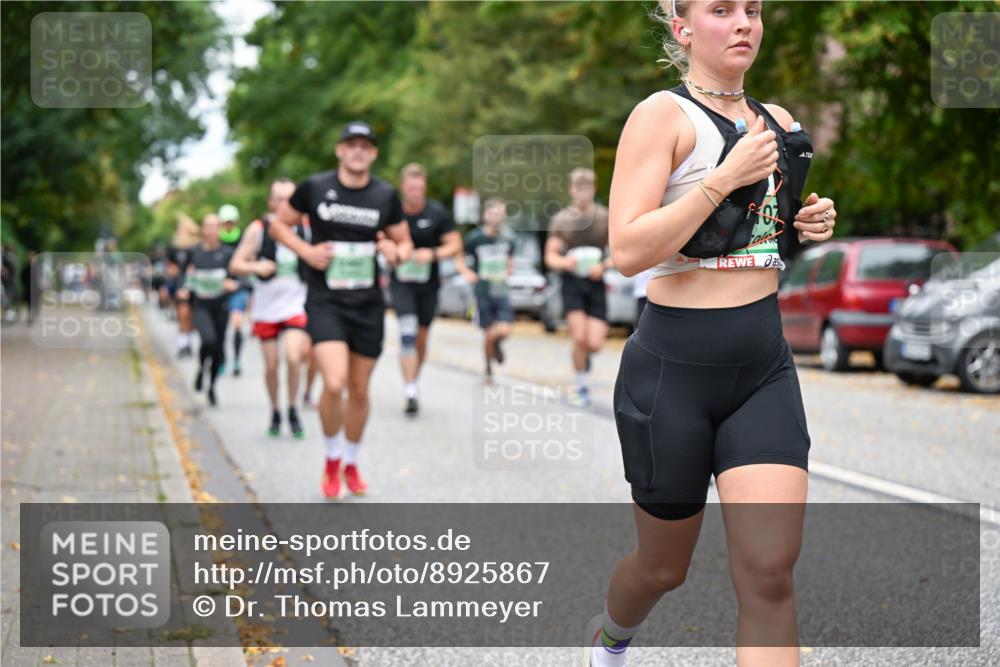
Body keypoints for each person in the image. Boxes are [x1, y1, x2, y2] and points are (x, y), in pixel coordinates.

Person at [588, 2, 837, 666]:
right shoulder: (660, 118)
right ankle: (611, 639)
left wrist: (804, 223)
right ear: (685, 29)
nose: (743, 22)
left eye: (752, 9)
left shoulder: (779, 123)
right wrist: (723, 177)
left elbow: (759, 234)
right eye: (721, 9)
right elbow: (628, 250)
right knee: (663, 567)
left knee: (769, 572)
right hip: (673, 371)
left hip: (762, 369)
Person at [270, 121, 413, 499]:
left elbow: (404, 242)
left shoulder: (385, 194)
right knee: (334, 383)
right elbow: (279, 226)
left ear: (374, 154)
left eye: (365, 146)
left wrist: (395, 254)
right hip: (326, 300)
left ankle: (351, 460)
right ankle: (331, 457)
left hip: (368, 304)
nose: (358, 151)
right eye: (351, 144)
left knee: (360, 389)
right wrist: (306, 251)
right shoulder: (315, 187)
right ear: (339, 150)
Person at [229, 178, 311, 438]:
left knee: (294, 356)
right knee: (272, 364)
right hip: (266, 307)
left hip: (296, 303)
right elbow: (236, 264)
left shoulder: (306, 228)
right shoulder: (258, 229)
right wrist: (256, 267)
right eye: (280, 199)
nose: (285, 204)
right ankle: (275, 409)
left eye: (291, 199)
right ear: (271, 202)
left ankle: (293, 408)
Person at [389, 163, 463, 416]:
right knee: (407, 333)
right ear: (403, 187)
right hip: (401, 283)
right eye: (410, 187)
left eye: (419, 187)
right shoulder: (393, 211)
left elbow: (454, 245)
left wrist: (431, 254)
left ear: (424, 188)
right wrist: (396, 253)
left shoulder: (437, 213)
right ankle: (410, 389)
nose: (415, 192)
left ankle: (413, 380)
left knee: (421, 338)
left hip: (428, 285)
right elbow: (380, 238)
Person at [545, 168, 614, 407]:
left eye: (588, 188)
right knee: (579, 336)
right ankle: (581, 384)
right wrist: (566, 262)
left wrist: (604, 266)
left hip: (595, 283)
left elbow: (618, 253)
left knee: (594, 343)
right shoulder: (562, 219)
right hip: (572, 283)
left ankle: (583, 359)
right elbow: (550, 257)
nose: (583, 193)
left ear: (593, 190)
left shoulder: (604, 217)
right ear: (572, 190)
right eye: (578, 188)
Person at [177, 215, 239, 407]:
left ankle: (211, 385)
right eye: (207, 226)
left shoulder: (228, 253)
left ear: (220, 229)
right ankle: (200, 368)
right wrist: (183, 288)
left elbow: (241, 277)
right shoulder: (193, 253)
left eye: (214, 227)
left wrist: (234, 284)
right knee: (208, 340)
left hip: (221, 307)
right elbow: (182, 275)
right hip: (201, 305)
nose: (211, 230)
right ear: (203, 229)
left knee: (218, 350)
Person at [456, 198, 515, 379]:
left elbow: (510, 259)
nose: (497, 218)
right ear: (485, 215)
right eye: (494, 213)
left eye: (501, 214)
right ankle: (488, 365)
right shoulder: (475, 238)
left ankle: (497, 344)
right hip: (482, 291)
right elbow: (458, 256)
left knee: (504, 330)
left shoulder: (508, 237)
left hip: (501, 290)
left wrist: (509, 271)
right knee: (488, 333)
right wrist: (467, 272)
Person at [218, 204, 249, 376]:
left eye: (231, 222)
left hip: (238, 286)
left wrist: (242, 282)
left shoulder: (243, 238)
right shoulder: (216, 239)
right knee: (221, 327)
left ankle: (237, 360)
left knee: (237, 323)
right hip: (220, 288)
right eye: (226, 222)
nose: (228, 225)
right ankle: (222, 359)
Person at [168, 215, 201, 357]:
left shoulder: (197, 246)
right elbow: (171, 267)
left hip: (195, 284)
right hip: (180, 283)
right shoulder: (175, 248)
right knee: (183, 313)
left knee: (192, 317)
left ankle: (187, 341)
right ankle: (183, 344)